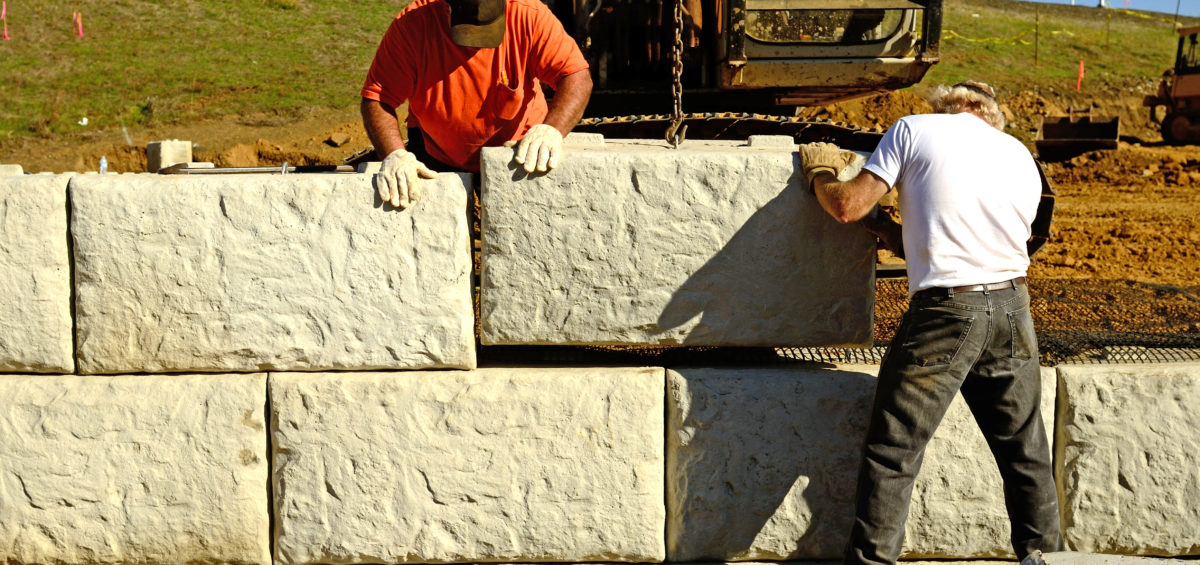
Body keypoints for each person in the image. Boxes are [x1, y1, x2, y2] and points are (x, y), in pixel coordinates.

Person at [799, 81, 1065, 565]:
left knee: (894, 452)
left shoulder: (912, 130)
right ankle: (1047, 557)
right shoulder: (1019, 154)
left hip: (946, 314)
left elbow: (846, 205)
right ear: (989, 115)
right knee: (1026, 456)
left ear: (949, 106)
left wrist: (820, 173)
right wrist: (890, 231)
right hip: (1012, 309)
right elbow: (979, 241)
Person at [361, 0, 593, 209]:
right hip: (434, 153)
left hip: (518, 153)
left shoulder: (529, 16)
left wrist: (552, 130)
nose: (476, 44)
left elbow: (576, 77)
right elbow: (378, 98)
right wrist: (394, 154)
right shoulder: (413, 25)